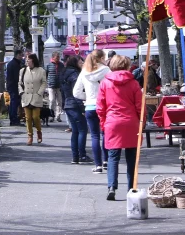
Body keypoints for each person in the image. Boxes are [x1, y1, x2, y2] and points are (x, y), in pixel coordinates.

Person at [97, 54, 143, 200]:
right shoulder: (134, 83)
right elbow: (139, 106)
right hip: (131, 122)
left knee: (112, 157)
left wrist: (103, 122)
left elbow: (100, 106)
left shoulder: (105, 83)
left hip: (113, 122)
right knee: (131, 157)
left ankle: (112, 186)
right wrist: (142, 122)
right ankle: (131, 187)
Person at [74, 49, 111, 173]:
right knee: (105, 134)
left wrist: (88, 98)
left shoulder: (84, 72)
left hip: (90, 106)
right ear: (101, 58)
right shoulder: (106, 71)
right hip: (104, 106)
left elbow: (76, 92)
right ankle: (106, 161)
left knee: (94, 136)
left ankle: (98, 165)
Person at [60, 55, 91, 164]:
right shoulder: (75, 75)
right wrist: (83, 108)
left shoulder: (64, 73)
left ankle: (75, 156)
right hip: (75, 105)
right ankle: (81, 155)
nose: (82, 64)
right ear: (75, 63)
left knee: (75, 131)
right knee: (82, 130)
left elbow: (63, 92)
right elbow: (76, 93)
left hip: (68, 105)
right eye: (81, 62)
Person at [19, 53, 47, 145]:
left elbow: (44, 83)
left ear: (33, 60)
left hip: (36, 96)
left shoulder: (41, 70)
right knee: (28, 118)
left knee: (35, 117)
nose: (27, 61)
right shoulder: (22, 70)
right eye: (26, 59)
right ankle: (30, 136)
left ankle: (39, 132)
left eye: (28, 59)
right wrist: (21, 92)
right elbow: (19, 83)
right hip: (26, 97)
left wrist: (40, 92)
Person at [6, 49, 24, 126]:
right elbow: (17, 77)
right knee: (14, 103)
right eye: (21, 55)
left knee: (14, 103)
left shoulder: (11, 63)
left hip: (11, 85)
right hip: (14, 86)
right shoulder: (15, 64)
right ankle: (13, 119)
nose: (22, 57)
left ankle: (13, 118)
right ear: (17, 55)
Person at [45, 51, 64, 122]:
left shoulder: (61, 65)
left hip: (59, 86)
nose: (58, 58)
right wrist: (46, 84)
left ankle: (58, 116)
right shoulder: (49, 65)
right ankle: (51, 115)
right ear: (53, 57)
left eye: (59, 57)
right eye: (57, 57)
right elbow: (45, 75)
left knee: (59, 101)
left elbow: (63, 74)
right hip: (51, 85)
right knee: (52, 100)